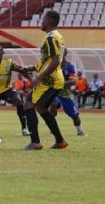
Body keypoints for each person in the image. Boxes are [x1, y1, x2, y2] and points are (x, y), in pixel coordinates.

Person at [21, 10, 67, 150]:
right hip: (56, 79)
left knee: (28, 103)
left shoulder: (50, 38)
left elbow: (55, 62)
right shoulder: (58, 37)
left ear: (48, 21)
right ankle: (60, 141)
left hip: (50, 81)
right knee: (40, 108)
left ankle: (35, 142)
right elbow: (57, 61)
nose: (41, 22)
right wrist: (31, 68)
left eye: (43, 19)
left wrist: (39, 78)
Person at [48, 52, 86, 136]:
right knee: (53, 104)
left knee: (75, 116)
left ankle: (79, 131)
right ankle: (52, 127)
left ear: (64, 55)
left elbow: (72, 81)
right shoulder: (52, 65)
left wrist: (60, 84)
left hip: (65, 95)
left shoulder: (70, 67)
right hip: (54, 92)